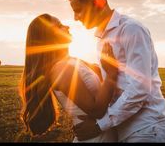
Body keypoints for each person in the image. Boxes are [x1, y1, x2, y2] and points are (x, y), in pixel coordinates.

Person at [67, 0, 165, 142]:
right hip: (125, 131)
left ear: (98, 2)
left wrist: (100, 125)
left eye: (78, 10)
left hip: (148, 129)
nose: (75, 17)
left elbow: (139, 90)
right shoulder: (101, 39)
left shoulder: (131, 29)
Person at [20, 13, 118, 142]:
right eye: (60, 26)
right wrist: (111, 76)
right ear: (50, 36)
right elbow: (97, 111)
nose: (67, 26)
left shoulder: (71, 61)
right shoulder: (61, 69)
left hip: (101, 132)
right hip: (94, 137)